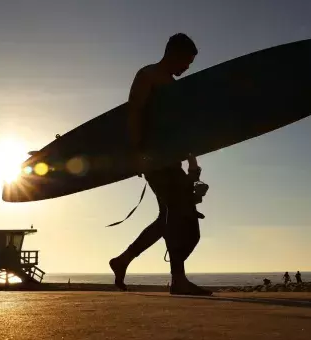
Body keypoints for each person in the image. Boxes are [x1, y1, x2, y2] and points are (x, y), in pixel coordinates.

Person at [109, 33, 212, 296]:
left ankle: (123, 261)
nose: (187, 68)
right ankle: (178, 280)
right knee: (179, 215)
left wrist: (192, 163)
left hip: (170, 159)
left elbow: (178, 131)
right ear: (173, 54)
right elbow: (134, 112)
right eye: (186, 61)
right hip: (154, 158)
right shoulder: (149, 75)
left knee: (168, 217)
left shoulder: (171, 85)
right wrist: (136, 154)